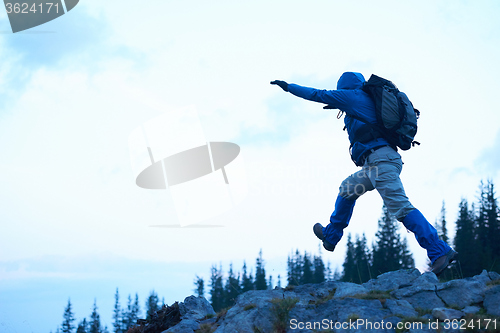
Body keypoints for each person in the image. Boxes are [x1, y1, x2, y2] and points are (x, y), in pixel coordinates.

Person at [270, 72, 457, 275]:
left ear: (345, 87)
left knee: (401, 208)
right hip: (374, 165)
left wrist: (289, 87)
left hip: (381, 163)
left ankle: (439, 251)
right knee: (348, 189)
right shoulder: (363, 99)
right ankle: (331, 236)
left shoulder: (353, 97)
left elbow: (318, 94)